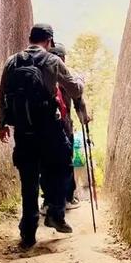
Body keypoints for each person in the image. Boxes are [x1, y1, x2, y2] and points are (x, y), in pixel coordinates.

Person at [0, 23, 83, 249]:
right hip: (48, 130)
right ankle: (55, 212)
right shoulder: (53, 61)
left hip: (24, 131)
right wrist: (81, 82)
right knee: (63, 165)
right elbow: (74, 89)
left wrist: (2, 123)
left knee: (29, 180)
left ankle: (28, 233)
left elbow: (2, 94)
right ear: (49, 41)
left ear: (30, 38)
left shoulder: (12, 61)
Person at [51, 42, 90, 209]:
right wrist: (84, 119)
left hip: (42, 126)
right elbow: (78, 99)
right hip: (64, 125)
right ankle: (68, 198)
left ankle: (49, 200)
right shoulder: (67, 75)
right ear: (63, 58)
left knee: (47, 163)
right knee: (66, 161)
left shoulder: (41, 73)